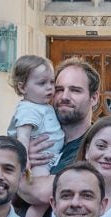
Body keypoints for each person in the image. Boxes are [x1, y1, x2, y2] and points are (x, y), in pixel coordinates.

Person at [5, 54, 66, 187]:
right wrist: (24, 159)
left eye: (52, 82)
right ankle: (31, 209)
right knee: (41, 189)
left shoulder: (42, 106)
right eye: (42, 83)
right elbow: (23, 137)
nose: (50, 87)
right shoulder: (28, 109)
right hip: (39, 162)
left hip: (49, 158)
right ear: (22, 88)